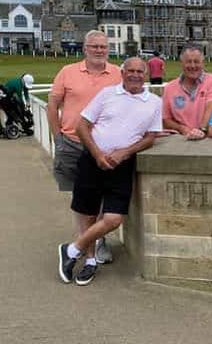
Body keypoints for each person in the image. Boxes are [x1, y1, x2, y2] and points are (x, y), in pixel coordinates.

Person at [58, 57, 162, 286]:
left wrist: (124, 152)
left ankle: (72, 249)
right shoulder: (107, 94)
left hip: (121, 166)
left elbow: (151, 137)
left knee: (114, 218)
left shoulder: (154, 101)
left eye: (139, 71)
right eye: (130, 71)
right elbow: (82, 126)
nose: (135, 75)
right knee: (88, 213)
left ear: (145, 74)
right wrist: (97, 154)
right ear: (122, 73)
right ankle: (90, 261)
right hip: (92, 160)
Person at [47, 30, 121, 265]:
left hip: (104, 146)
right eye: (94, 46)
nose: (99, 50)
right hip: (72, 143)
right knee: (80, 199)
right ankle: (87, 242)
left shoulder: (118, 74)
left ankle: (96, 242)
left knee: (101, 198)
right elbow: (52, 105)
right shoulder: (67, 72)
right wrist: (57, 137)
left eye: (103, 46)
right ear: (85, 48)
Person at [162, 47, 212, 140]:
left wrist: (201, 130)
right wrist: (182, 128)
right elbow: (166, 120)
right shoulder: (169, 87)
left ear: (203, 63)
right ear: (181, 63)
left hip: (208, 138)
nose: (192, 66)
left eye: (196, 61)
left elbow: (211, 108)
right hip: (180, 139)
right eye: (188, 61)